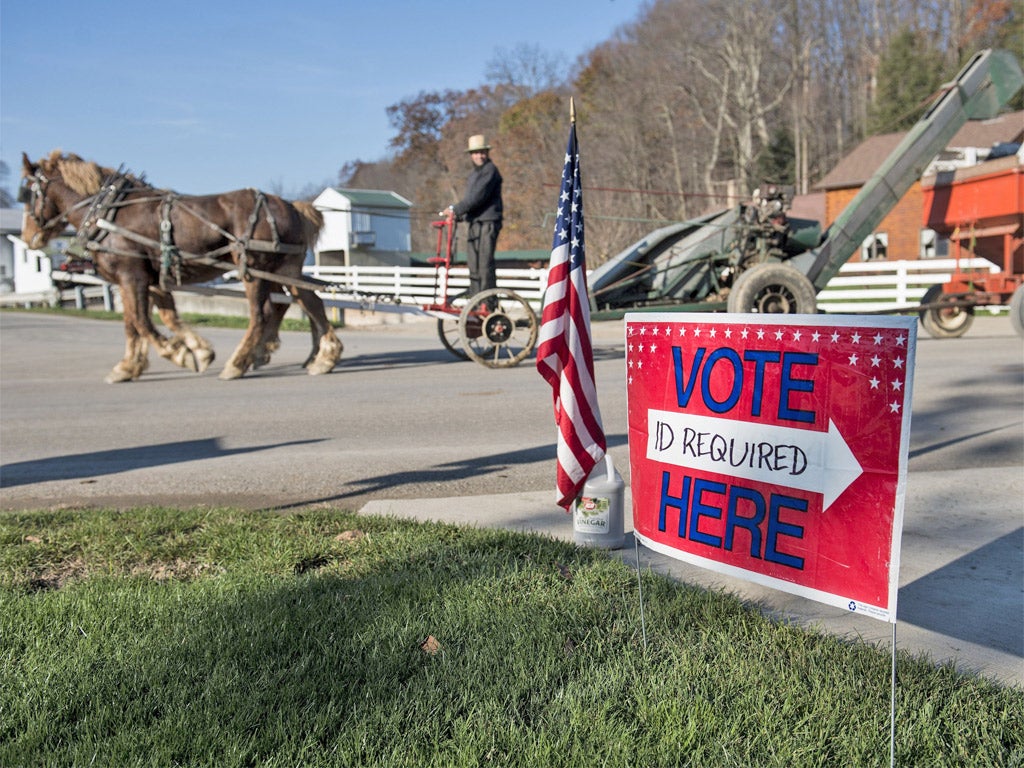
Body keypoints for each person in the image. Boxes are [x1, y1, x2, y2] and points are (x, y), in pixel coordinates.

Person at [446, 134, 503, 301]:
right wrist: (460, 215)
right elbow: (472, 202)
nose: (479, 156)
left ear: (487, 153)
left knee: (485, 264)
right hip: (474, 224)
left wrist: (455, 210)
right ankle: (476, 301)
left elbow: (478, 197)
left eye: (482, 152)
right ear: (471, 155)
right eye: (476, 153)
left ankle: (488, 303)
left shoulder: (490, 171)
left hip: (488, 223)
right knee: (473, 265)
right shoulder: (473, 176)